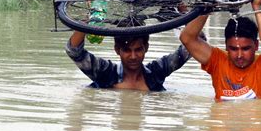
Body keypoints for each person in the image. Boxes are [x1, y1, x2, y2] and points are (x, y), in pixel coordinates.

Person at [180, 0, 261, 100]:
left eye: (246, 48)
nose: (239, 55)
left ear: (256, 46)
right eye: (233, 49)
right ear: (226, 46)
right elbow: (187, 39)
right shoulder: (218, 61)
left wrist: (256, 7)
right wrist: (207, 6)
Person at [65, 30, 193, 91]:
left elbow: (193, 46)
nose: (133, 56)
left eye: (138, 50)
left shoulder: (156, 72)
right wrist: (92, 13)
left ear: (146, 48)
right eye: (127, 50)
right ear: (117, 50)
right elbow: (74, 51)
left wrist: (183, 15)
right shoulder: (106, 72)